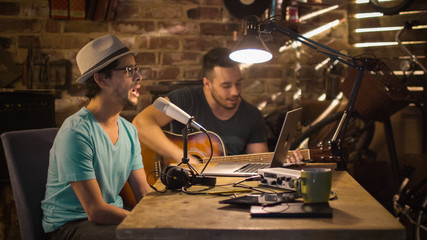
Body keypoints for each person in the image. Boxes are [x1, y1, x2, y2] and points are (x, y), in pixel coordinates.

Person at [41, 34, 151, 240]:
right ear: (101, 79)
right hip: (70, 226)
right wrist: (143, 222)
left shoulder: (129, 130)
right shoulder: (76, 131)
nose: (138, 77)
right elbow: (95, 211)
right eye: (129, 70)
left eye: (136, 69)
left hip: (113, 218)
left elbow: (144, 194)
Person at [132, 47, 303, 166]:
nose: (236, 92)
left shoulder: (252, 115)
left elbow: (260, 160)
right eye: (226, 86)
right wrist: (182, 157)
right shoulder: (185, 99)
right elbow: (140, 123)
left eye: (239, 83)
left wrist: (282, 159)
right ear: (207, 83)